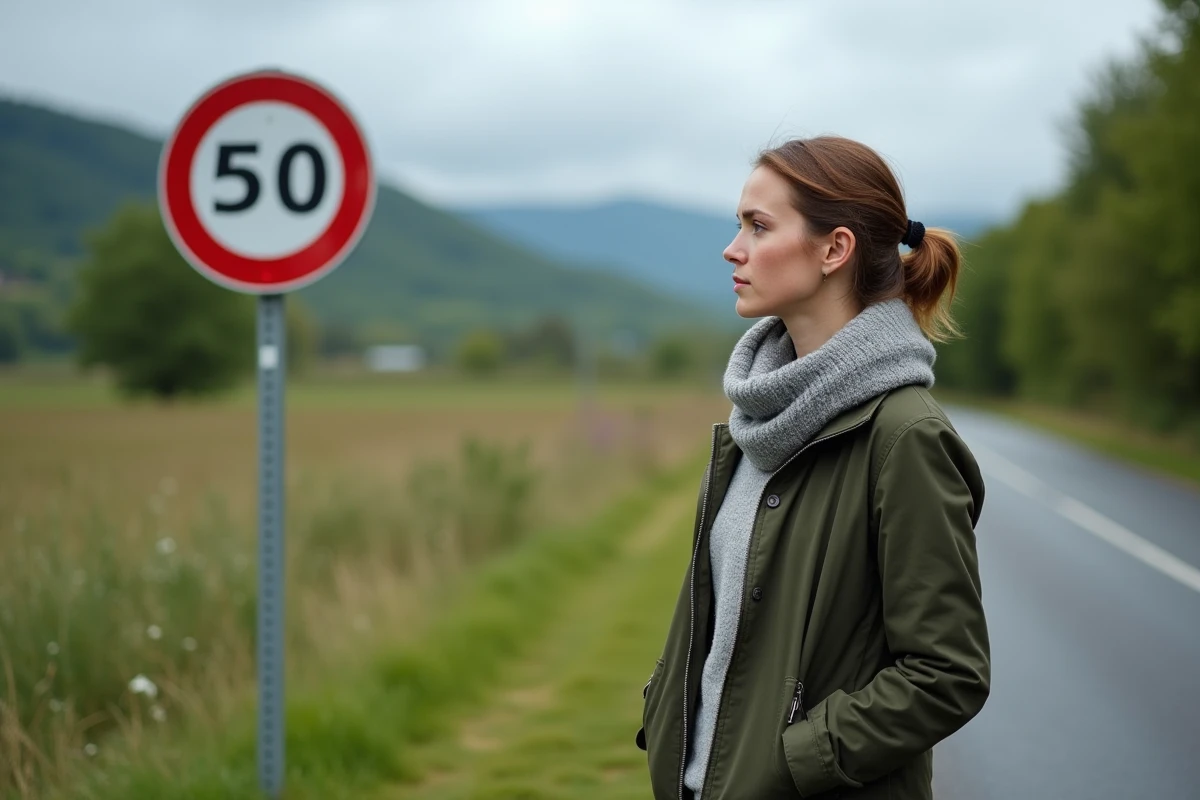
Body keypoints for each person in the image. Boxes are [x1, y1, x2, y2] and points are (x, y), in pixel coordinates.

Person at [636, 135, 991, 799]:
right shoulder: (760, 421)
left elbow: (948, 673)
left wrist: (796, 759)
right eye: (739, 223)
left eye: (758, 226)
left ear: (835, 249)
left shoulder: (904, 435)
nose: (732, 248)